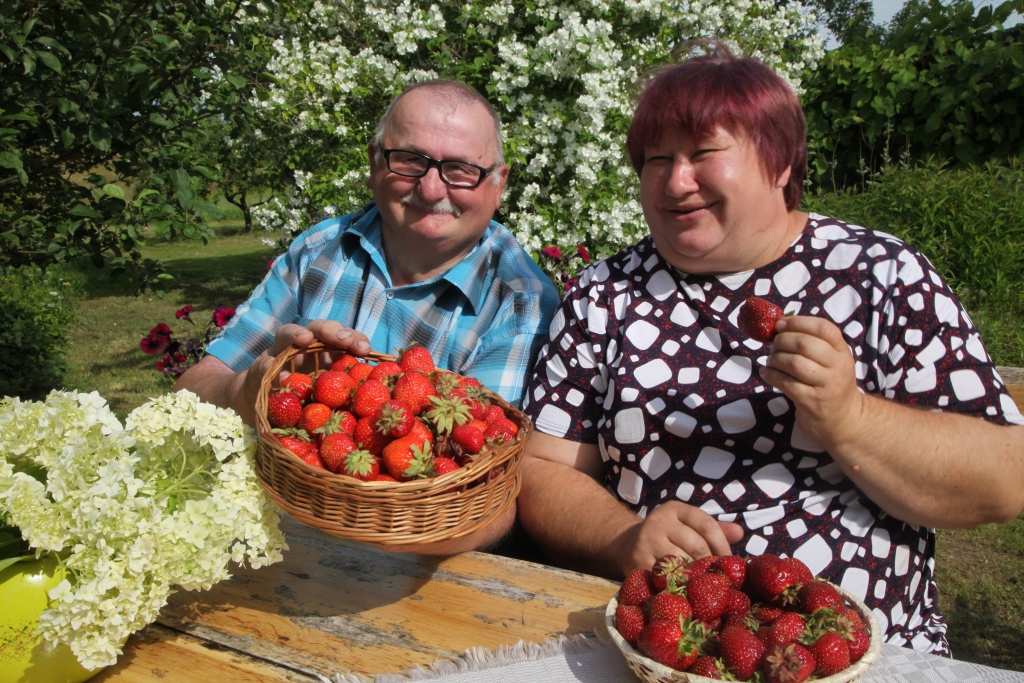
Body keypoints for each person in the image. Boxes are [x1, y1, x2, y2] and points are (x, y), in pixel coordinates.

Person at [515, 46, 1024, 655]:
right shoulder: (606, 293)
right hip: (673, 649)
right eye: (657, 160)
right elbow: (543, 468)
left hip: (862, 651)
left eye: (704, 153)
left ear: (780, 162)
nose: (677, 181)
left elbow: (1003, 480)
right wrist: (623, 538)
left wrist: (849, 417)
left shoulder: (880, 274)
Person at [176, 79, 559, 554]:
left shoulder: (522, 303)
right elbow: (190, 392)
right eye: (410, 160)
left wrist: (370, 512)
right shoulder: (320, 251)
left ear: (497, 183)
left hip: (413, 571)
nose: (432, 186)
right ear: (375, 160)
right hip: (265, 537)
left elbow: (489, 498)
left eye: (461, 170)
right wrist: (248, 388)